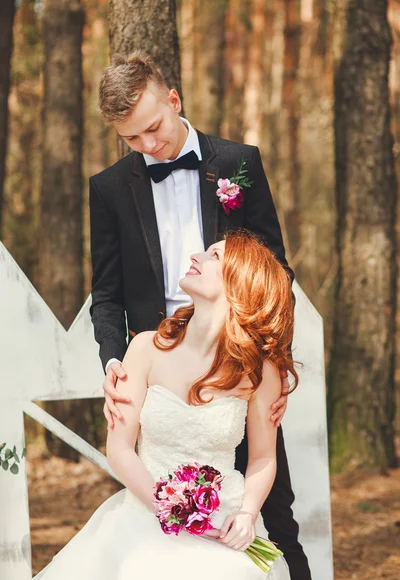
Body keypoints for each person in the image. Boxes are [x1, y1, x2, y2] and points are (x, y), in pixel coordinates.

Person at [90, 52, 311, 579]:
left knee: (274, 517)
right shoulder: (109, 188)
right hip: (159, 368)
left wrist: (272, 369)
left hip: (238, 361)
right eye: (132, 140)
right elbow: (106, 293)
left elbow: (274, 272)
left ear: (174, 101)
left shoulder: (239, 162)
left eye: (154, 129)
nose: (149, 146)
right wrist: (114, 362)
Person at [35, 232, 296, 579]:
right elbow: (120, 449)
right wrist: (169, 509)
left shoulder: (258, 371)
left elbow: (263, 456)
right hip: (144, 516)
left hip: (223, 522)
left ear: (240, 282)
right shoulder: (145, 348)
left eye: (214, 256)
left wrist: (247, 514)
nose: (197, 256)